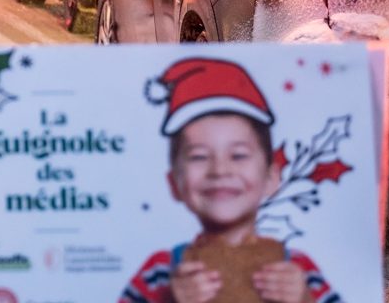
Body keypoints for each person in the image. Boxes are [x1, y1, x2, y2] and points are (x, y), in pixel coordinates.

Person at [120, 58, 338, 303]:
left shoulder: (300, 271)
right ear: (175, 182)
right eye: (199, 156)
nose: (220, 170)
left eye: (238, 155)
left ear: (270, 177)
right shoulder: (158, 273)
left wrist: (305, 299)